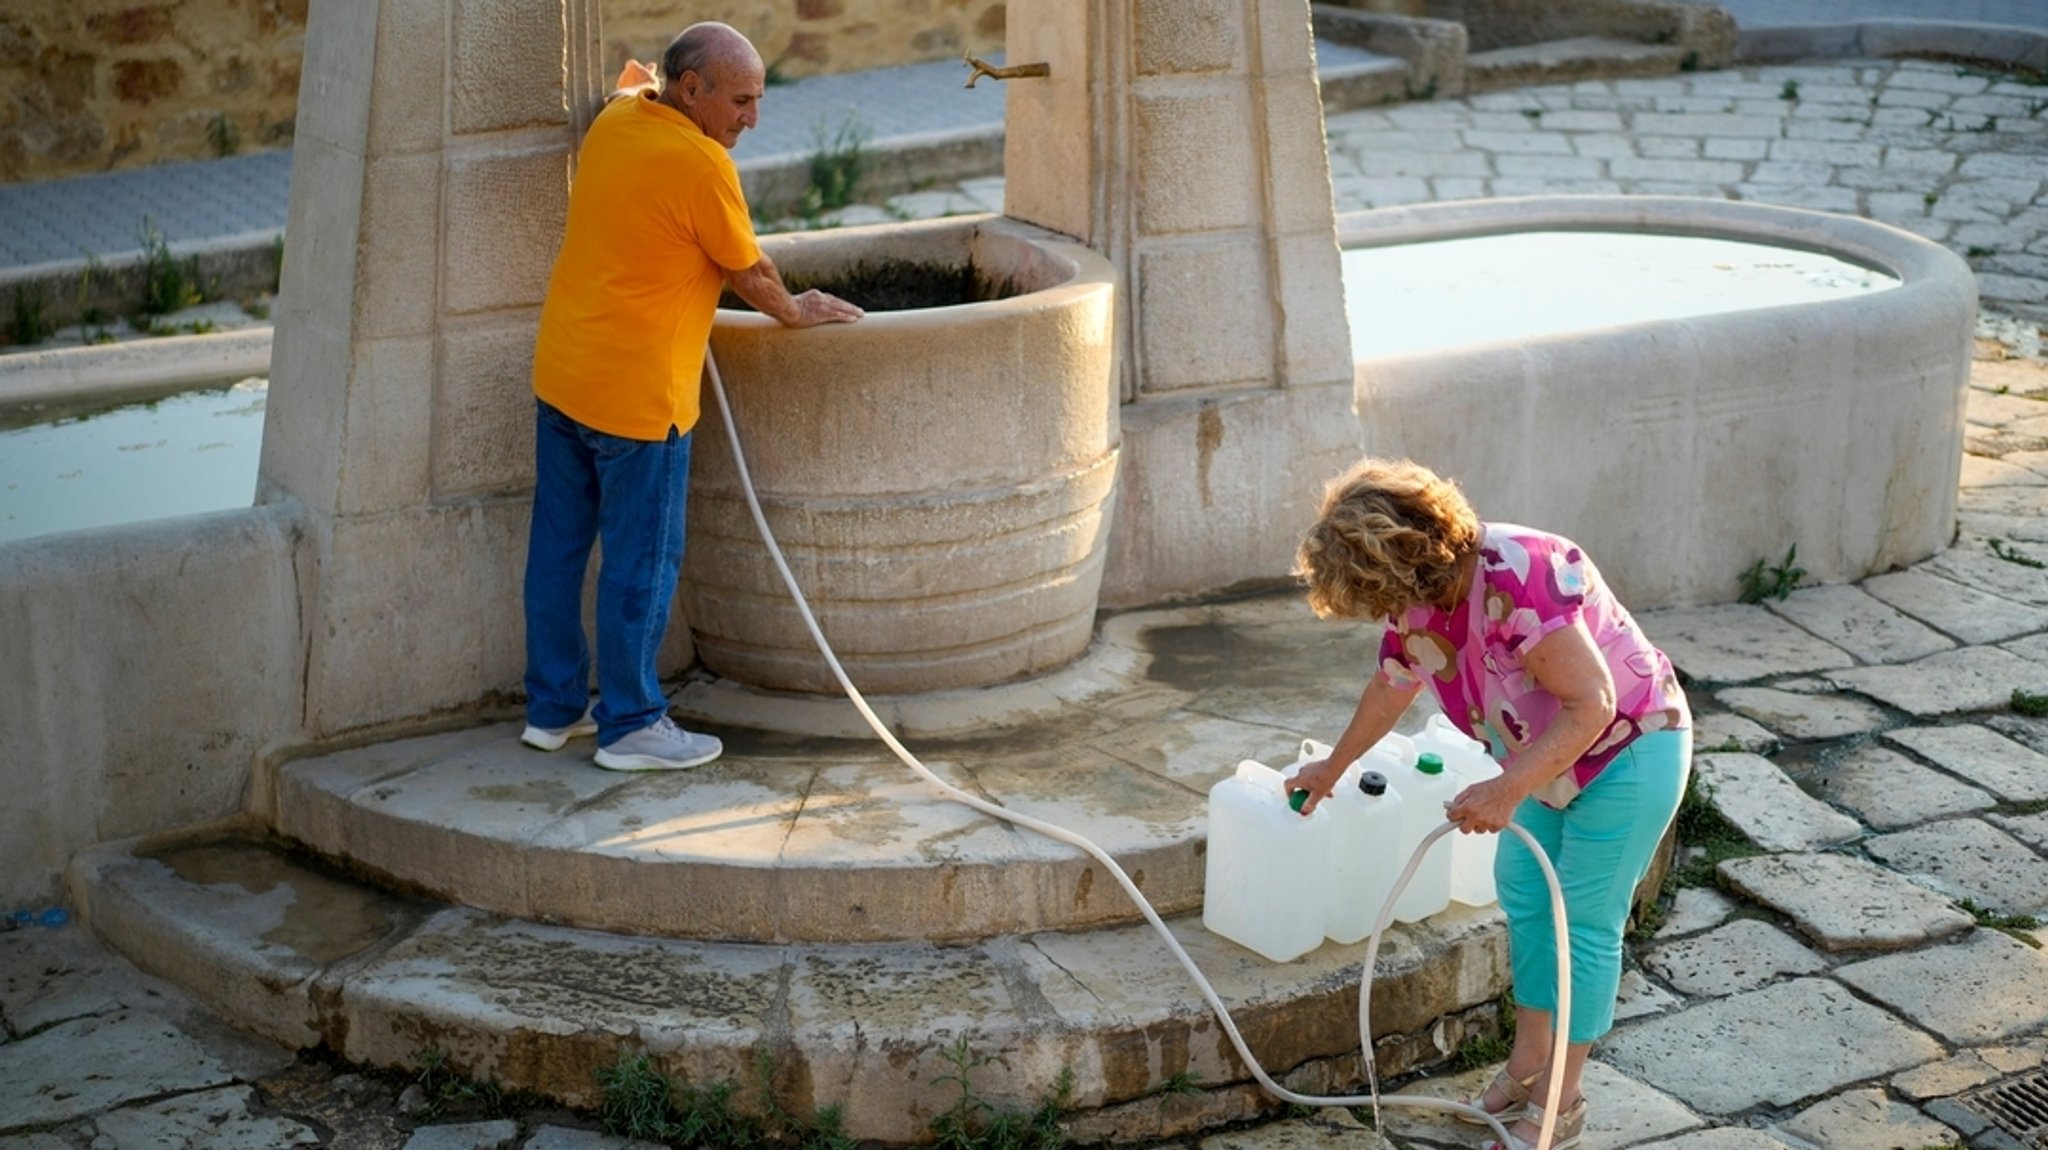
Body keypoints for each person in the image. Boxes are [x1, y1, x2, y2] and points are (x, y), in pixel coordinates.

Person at [1286, 458, 1691, 1150]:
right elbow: (1392, 685)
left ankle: (1561, 1102)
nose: (1386, 613)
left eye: (1381, 593)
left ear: (1412, 557)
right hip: (1542, 760)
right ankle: (1529, 1063)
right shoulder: (1419, 596)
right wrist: (1334, 766)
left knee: (1585, 923)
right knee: (1526, 896)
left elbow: (1591, 703)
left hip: (1628, 750)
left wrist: (1506, 788)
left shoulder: (1520, 573)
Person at [519, 23, 863, 771]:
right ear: (691, 91)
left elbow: (630, 77)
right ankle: (632, 724)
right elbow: (751, 272)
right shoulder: (703, 166)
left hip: (565, 378)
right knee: (640, 565)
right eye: (739, 100)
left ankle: (551, 712)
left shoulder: (618, 119)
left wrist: (653, 77)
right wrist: (796, 311)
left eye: (759, 99)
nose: (751, 118)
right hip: (641, 405)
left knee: (557, 551)